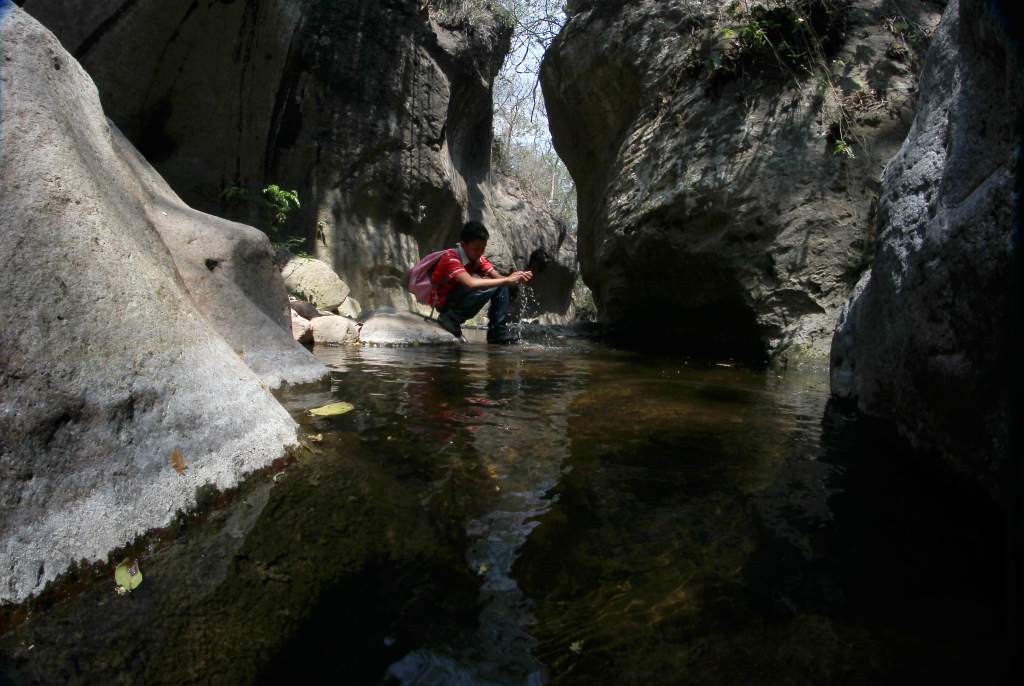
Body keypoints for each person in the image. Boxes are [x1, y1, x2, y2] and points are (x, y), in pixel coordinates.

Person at [431, 220, 533, 343]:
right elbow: (471, 283)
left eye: (483, 248)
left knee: (502, 285)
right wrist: (506, 279)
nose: (480, 252)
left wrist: (515, 278)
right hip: (444, 302)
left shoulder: (478, 258)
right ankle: (451, 318)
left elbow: (499, 278)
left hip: (457, 296)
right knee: (496, 283)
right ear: (464, 245)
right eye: (476, 248)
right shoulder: (451, 257)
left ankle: (497, 332)